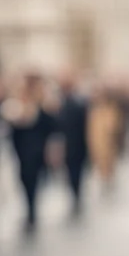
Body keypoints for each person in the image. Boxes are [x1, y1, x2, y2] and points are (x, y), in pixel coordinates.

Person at [3, 73, 59, 232]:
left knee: (34, 179)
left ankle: (32, 211)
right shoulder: (16, 102)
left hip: (37, 149)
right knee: (25, 179)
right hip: (21, 148)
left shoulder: (44, 103)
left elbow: (52, 126)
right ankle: (30, 210)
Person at [55, 71, 91, 215]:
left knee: (77, 172)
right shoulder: (58, 102)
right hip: (66, 143)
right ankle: (74, 195)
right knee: (70, 172)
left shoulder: (79, 102)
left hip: (78, 143)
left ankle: (77, 195)